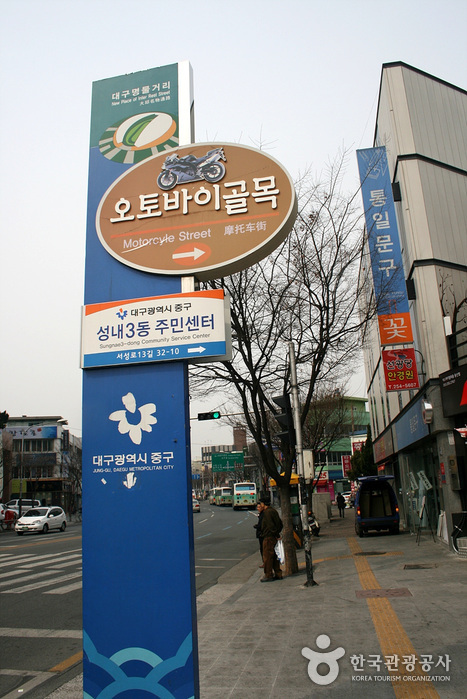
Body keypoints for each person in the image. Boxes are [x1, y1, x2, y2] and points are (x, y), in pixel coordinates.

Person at [258, 497, 283, 582]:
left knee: (267, 557)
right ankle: (278, 573)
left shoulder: (267, 513)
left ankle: (268, 575)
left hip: (269, 537)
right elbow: (280, 524)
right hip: (273, 537)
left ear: (263, 504)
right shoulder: (273, 511)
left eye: (261, 503)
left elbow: (270, 525)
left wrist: (275, 533)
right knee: (275, 556)